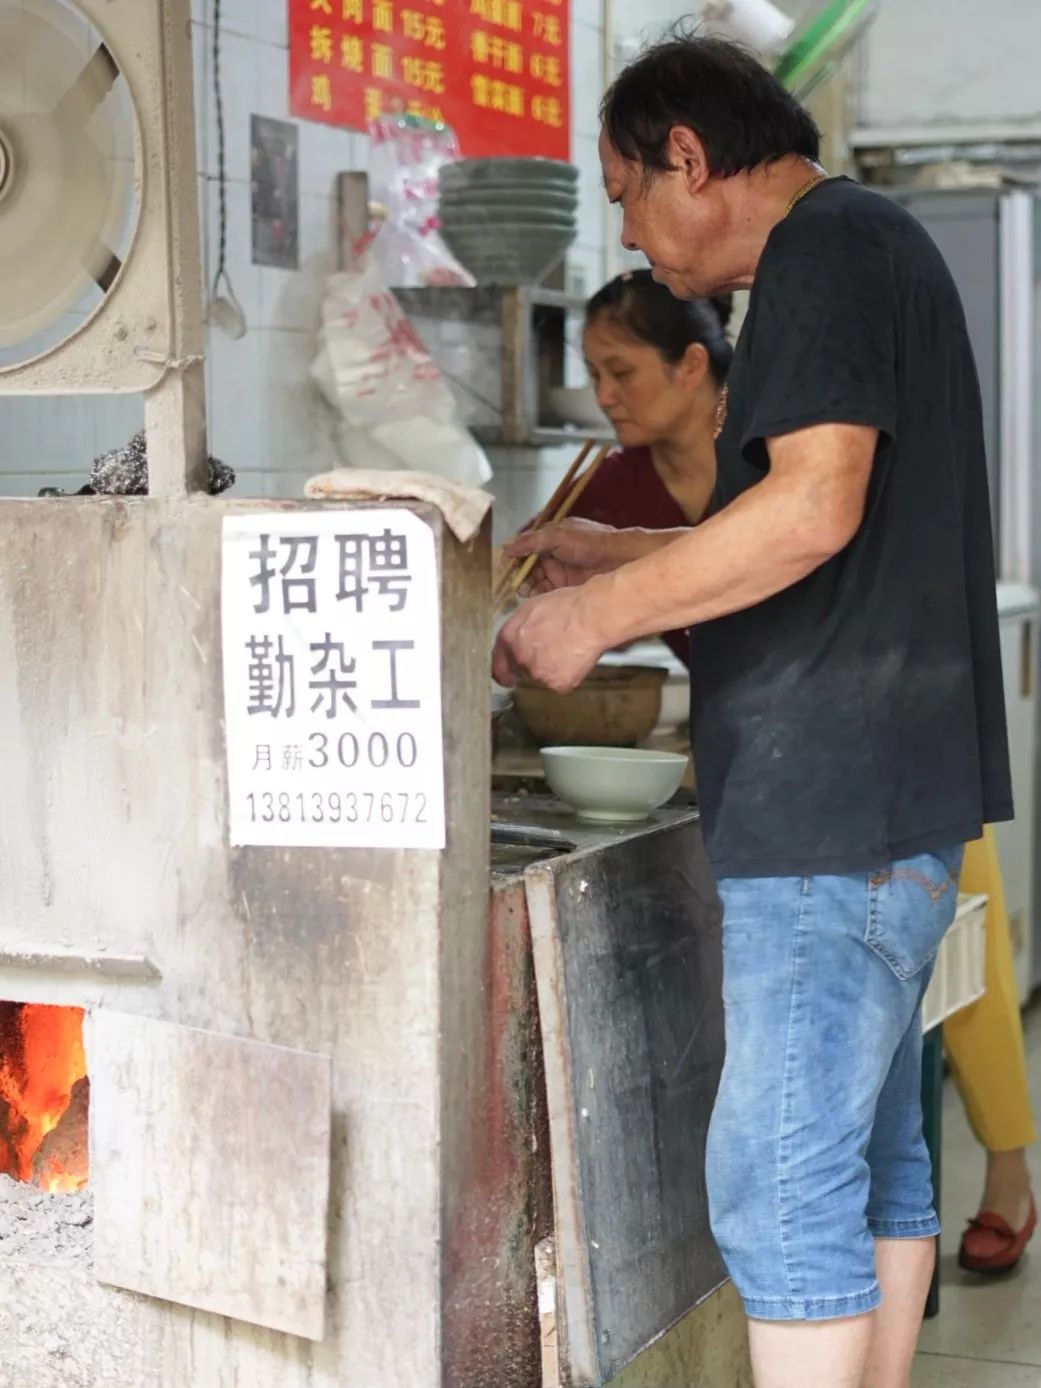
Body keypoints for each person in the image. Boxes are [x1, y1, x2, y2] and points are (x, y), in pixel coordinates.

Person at [493, 33, 1014, 1388]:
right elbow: (803, 524)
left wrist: (589, 617)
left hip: (831, 806)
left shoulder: (819, 253)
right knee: (868, 1154)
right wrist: (614, 555)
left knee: (778, 1179)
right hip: (881, 798)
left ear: (688, 156)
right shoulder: (865, 244)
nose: (627, 230)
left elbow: (814, 509)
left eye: (626, 193)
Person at [540, 268, 1039, 1278]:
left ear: (694, 365)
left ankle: (1010, 1170)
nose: (606, 395)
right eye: (593, 374)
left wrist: (601, 600)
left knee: (961, 959)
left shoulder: (776, 441)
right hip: (771, 758)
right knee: (867, 1132)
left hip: (880, 742)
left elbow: (790, 546)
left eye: (622, 370)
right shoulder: (616, 485)